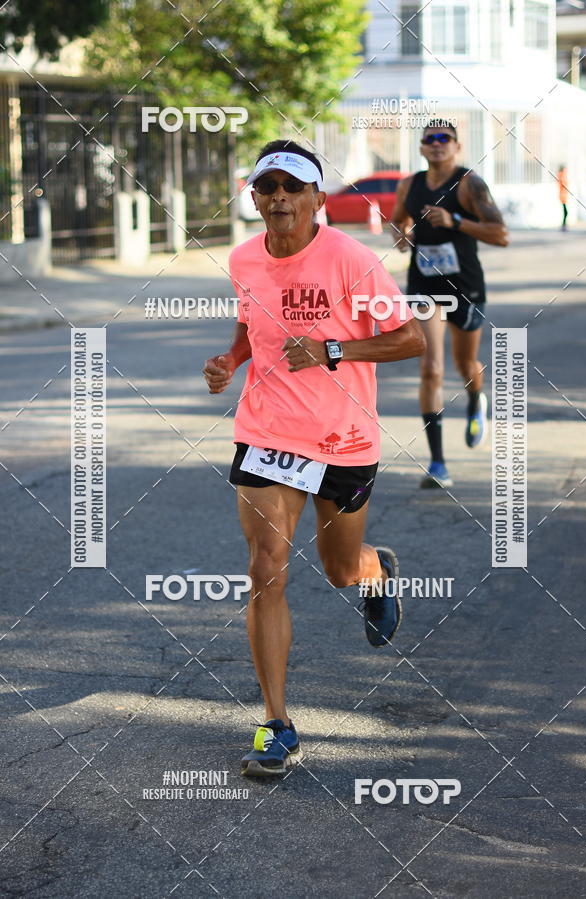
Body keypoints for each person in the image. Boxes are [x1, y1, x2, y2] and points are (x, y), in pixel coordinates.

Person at [203, 139, 425, 776]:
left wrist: (333, 349)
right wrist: (231, 360)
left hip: (342, 438)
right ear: (254, 198)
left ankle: (375, 569)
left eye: (292, 187)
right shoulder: (244, 258)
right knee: (264, 569)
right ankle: (276, 723)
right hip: (266, 431)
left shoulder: (351, 260)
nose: (279, 197)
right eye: (268, 187)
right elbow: (251, 325)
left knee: (338, 569)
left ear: (317, 199)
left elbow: (409, 337)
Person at [390, 119, 509, 488]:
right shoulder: (409, 185)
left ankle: (475, 399)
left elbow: (501, 234)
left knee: (465, 363)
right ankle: (438, 464)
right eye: (430, 139)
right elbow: (396, 222)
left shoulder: (470, 184)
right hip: (424, 285)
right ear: (422, 147)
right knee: (431, 367)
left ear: (457, 146)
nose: (437, 143)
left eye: (445, 138)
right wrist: (402, 236)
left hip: (465, 286)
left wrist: (455, 220)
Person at [558, 165, 568, 231]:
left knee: (566, 212)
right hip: (562, 196)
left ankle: (564, 225)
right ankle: (563, 225)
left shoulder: (562, 176)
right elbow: (563, 184)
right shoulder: (561, 176)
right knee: (566, 212)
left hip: (564, 196)